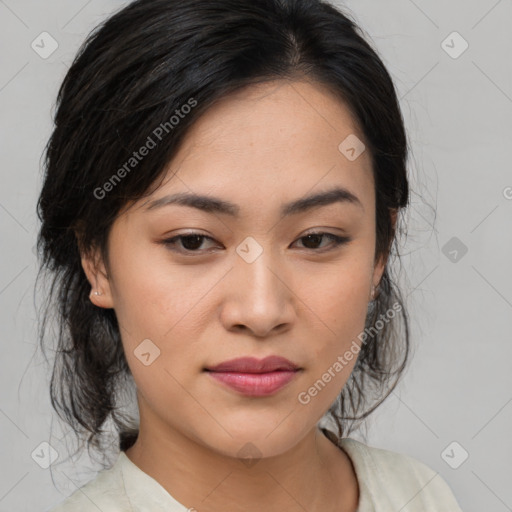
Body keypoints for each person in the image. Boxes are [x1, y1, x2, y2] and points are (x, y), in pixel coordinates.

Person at [37, 0, 463, 510]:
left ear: (380, 250)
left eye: (316, 239)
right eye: (192, 241)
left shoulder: (421, 496)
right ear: (96, 259)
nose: (261, 311)